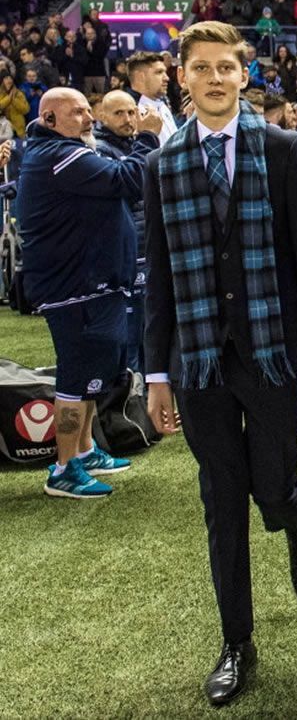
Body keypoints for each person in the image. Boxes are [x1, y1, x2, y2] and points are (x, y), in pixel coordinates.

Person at [142, 21, 297, 707]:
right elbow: (159, 277)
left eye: (227, 66)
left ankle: (295, 519)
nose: (216, 77)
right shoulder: (161, 165)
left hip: (274, 353)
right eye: (202, 67)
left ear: (243, 76)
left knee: (272, 481)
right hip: (197, 361)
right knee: (222, 502)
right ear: (182, 78)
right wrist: (156, 373)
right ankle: (236, 642)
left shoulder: (284, 151)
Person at [13, 87, 159, 498]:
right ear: (50, 120)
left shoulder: (62, 154)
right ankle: (63, 467)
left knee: (95, 371)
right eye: (76, 112)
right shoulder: (60, 157)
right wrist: (147, 137)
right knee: (76, 378)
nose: (87, 118)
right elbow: (129, 179)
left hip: (92, 283)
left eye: (85, 110)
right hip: (77, 286)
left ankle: (86, 449)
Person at [93, 89, 161, 375]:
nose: (128, 119)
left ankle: (147, 401)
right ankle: (130, 403)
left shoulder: (134, 146)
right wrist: (147, 142)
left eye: (132, 112)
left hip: (147, 246)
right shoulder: (98, 150)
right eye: (119, 113)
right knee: (130, 337)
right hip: (124, 252)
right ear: (102, 116)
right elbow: (128, 185)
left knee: (151, 333)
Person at [125, 50, 178, 145]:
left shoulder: (162, 104)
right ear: (140, 76)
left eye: (165, 72)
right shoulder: (128, 112)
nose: (166, 78)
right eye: (159, 72)